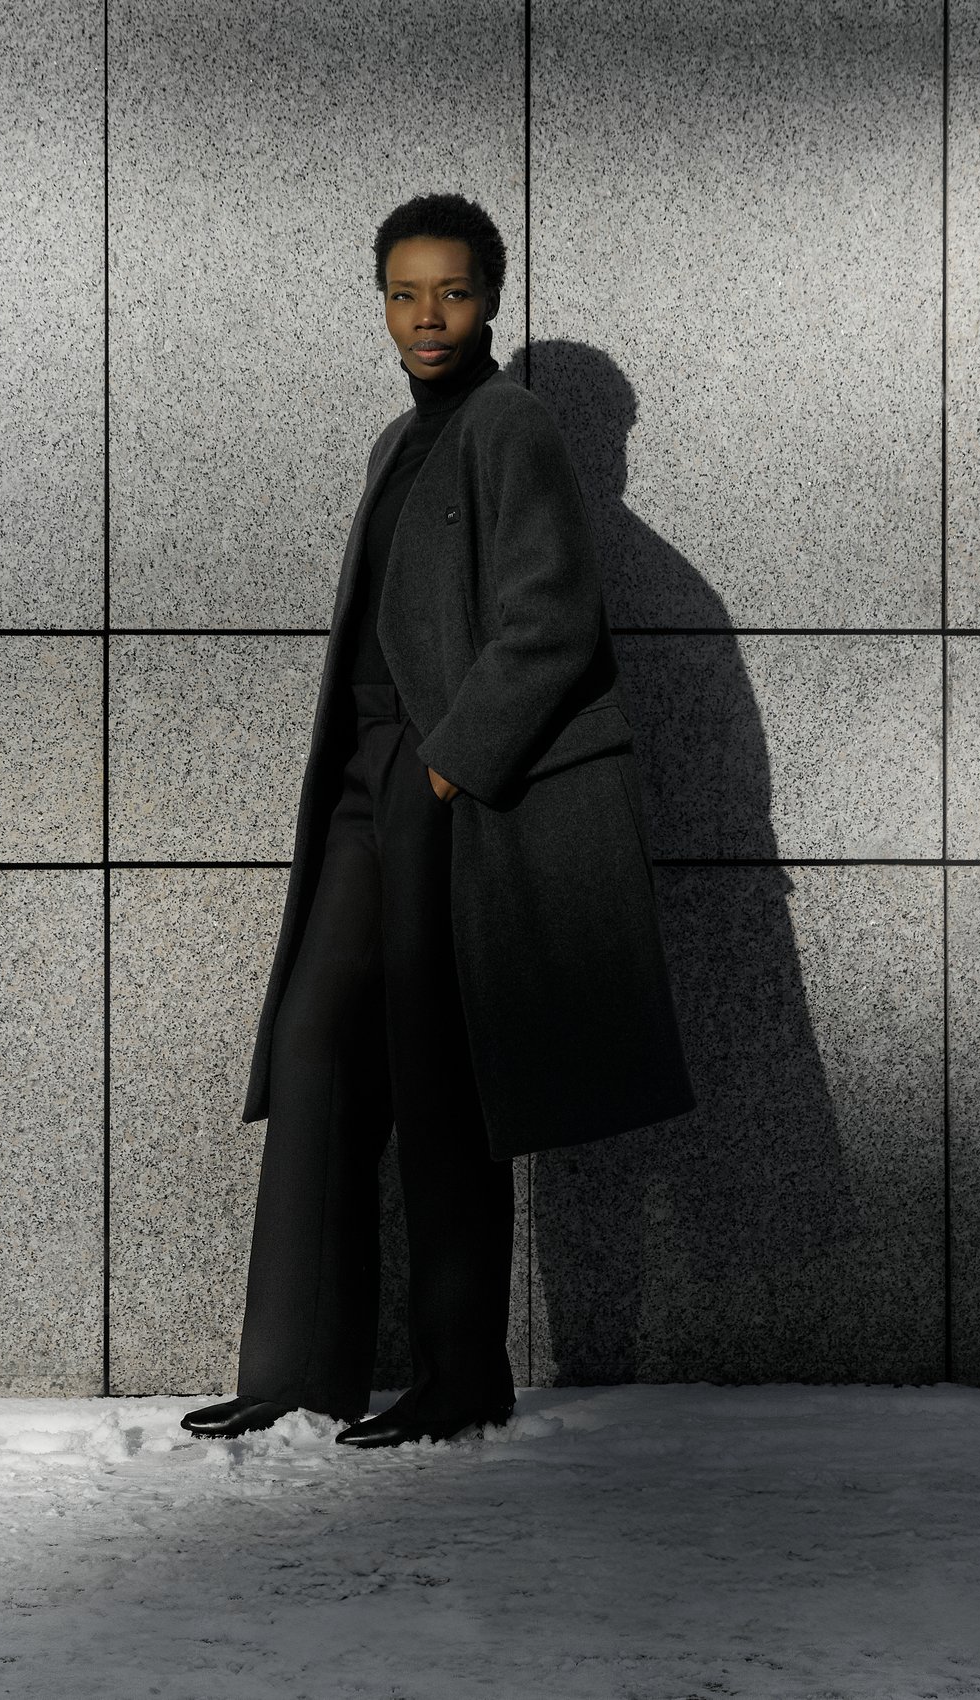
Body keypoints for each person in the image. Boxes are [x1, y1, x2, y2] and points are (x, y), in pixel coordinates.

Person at [183, 193, 695, 1450]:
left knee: (437, 1068)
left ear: (490, 301)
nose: (427, 316)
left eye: (453, 292)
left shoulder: (509, 426)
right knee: (317, 1043)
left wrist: (449, 769)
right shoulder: (394, 443)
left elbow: (552, 621)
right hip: (366, 779)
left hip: (432, 781)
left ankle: (464, 1369)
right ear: (381, 300)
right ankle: (299, 1364)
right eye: (405, 292)